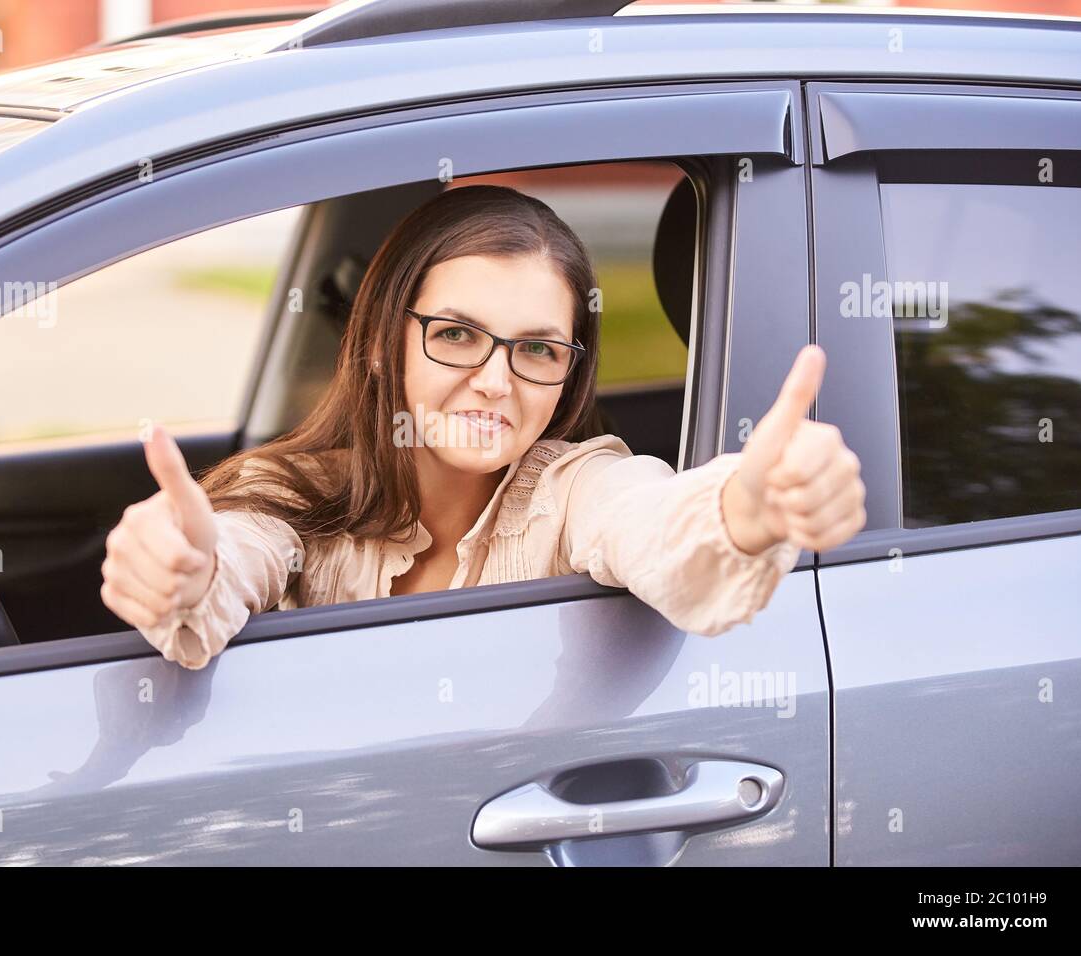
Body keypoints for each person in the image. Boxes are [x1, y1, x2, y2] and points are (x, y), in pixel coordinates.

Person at [100, 184, 866, 670]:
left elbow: (658, 526)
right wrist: (183, 571)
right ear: (379, 343)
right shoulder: (292, 493)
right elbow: (232, 554)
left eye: (536, 348)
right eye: (457, 334)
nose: (496, 380)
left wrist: (746, 511)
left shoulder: (578, 488)